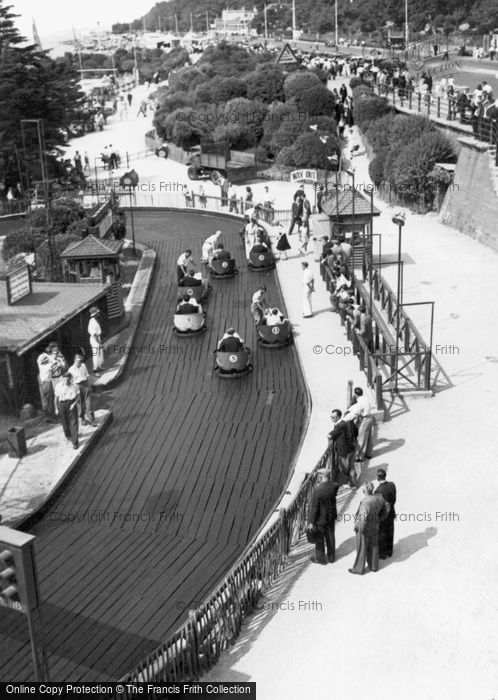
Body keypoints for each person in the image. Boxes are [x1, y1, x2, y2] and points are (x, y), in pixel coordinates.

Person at [349, 482, 389, 575]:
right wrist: (380, 518)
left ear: (364, 490)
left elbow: (362, 519)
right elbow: (387, 506)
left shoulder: (365, 503)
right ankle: (374, 566)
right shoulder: (379, 497)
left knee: (361, 549)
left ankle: (358, 569)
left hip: (365, 529)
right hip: (375, 526)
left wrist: (358, 528)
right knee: (374, 547)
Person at [307, 469, 340, 564]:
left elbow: (314, 509)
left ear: (320, 477)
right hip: (331, 515)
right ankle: (331, 557)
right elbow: (336, 485)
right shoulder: (334, 486)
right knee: (330, 536)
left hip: (320, 519)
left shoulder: (317, 491)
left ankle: (321, 559)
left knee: (319, 539)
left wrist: (311, 522)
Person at [343, 387, 375, 462]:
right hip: (370, 417)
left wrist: (345, 418)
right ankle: (369, 454)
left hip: (365, 419)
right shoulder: (365, 398)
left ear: (355, 394)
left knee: (361, 438)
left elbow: (356, 410)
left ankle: (359, 457)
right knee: (369, 437)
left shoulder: (360, 402)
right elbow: (357, 406)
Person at [328, 409, 358, 487]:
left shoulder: (340, 425)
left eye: (333, 417)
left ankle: (352, 483)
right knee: (350, 467)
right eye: (331, 416)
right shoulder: (343, 423)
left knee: (345, 468)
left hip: (344, 451)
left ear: (338, 417)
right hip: (350, 448)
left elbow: (330, 436)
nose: (331, 418)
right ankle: (353, 480)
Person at [374, 468, 397, 559]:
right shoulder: (392, 485)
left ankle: (382, 554)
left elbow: (378, 506)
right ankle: (389, 551)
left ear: (377, 478)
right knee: (390, 532)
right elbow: (394, 498)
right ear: (385, 476)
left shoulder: (377, 491)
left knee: (382, 534)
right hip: (391, 512)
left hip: (383, 516)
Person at [54, 372, 80, 449]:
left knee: (74, 422)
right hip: (62, 404)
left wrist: (74, 404)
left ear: (70, 379)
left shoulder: (74, 386)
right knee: (65, 422)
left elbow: (78, 396)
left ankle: (75, 442)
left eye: (67, 379)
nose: (65, 381)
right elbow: (56, 398)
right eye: (64, 379)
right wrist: (56, 408)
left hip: (71, 404)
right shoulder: (58, 386)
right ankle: (68, 435)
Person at [68, 353, 93, 426]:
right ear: (74, 360)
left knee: (88, 402)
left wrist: (89, 385)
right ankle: (82, 418)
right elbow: (71, 382)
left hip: (85, 384)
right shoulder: (71, 370)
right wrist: (74, 391)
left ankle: (90, 417)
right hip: (77, 386)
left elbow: (87, 375)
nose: (79, 363)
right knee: (80, 403)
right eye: (77, 361)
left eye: (80, 361)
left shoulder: (83, 365)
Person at [37, 347, 56, 420]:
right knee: (50, 400)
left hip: (42, 381)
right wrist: (50, 356)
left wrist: (46, 355)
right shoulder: (47, 366)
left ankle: (47, 415)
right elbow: (54, 362)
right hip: (47, 383)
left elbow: (44, 357)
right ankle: (52, 417)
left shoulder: (39, 360)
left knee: (45, 400)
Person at [87, 306, 104, 375]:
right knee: (96, 355)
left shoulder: (95, 320)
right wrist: (99, 343)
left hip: (97, 338)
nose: (99, 313)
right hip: (94, 340)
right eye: (97, 312)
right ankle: (95, 370)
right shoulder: (92, 322)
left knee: (100, 353)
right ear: (95, 314)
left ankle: (99, 367)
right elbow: (94, 335)